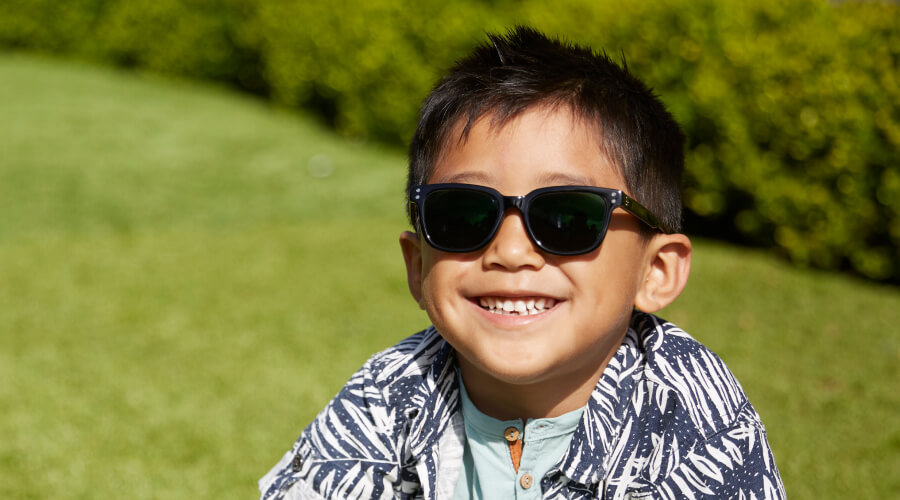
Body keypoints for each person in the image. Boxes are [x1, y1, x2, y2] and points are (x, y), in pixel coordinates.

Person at [259, 26, 785, 499]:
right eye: (464, 215)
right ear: (417, 267)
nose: (510, 252)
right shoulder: (386, 395)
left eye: (566, 218)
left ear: (657, 271)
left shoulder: (691, 425)